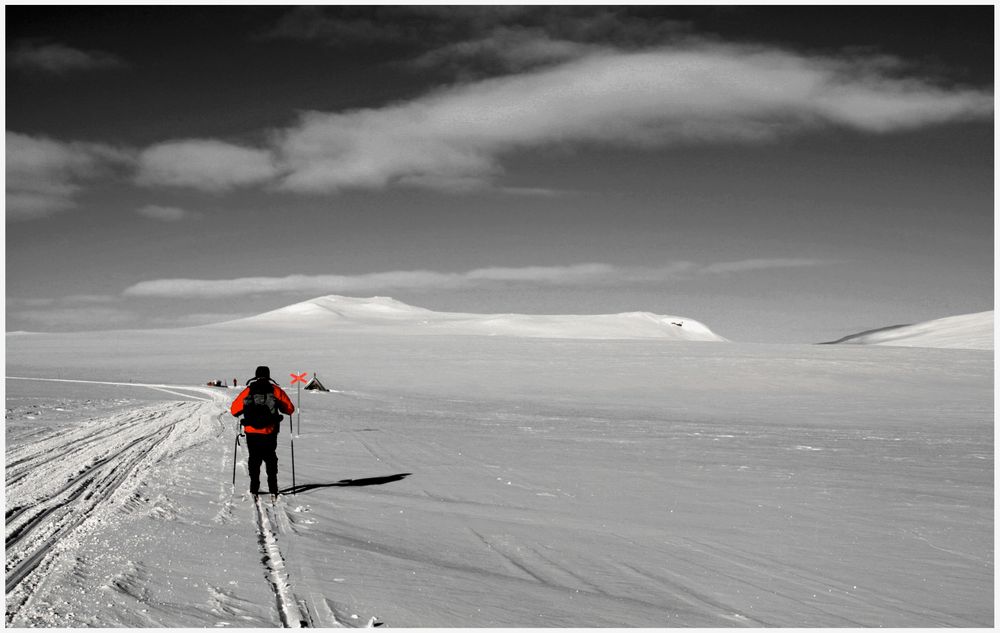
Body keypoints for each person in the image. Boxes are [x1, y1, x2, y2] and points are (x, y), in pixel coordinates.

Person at [230, 366, 294, 498]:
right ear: (268, 375)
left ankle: (254, 488)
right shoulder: (275, 390)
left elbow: (234, 410)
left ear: (256, 375)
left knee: (254, 458)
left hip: (251, 432)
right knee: (270, 457)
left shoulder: (249, 390)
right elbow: (290, 409)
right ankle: (273, 488)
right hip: (270, 431)